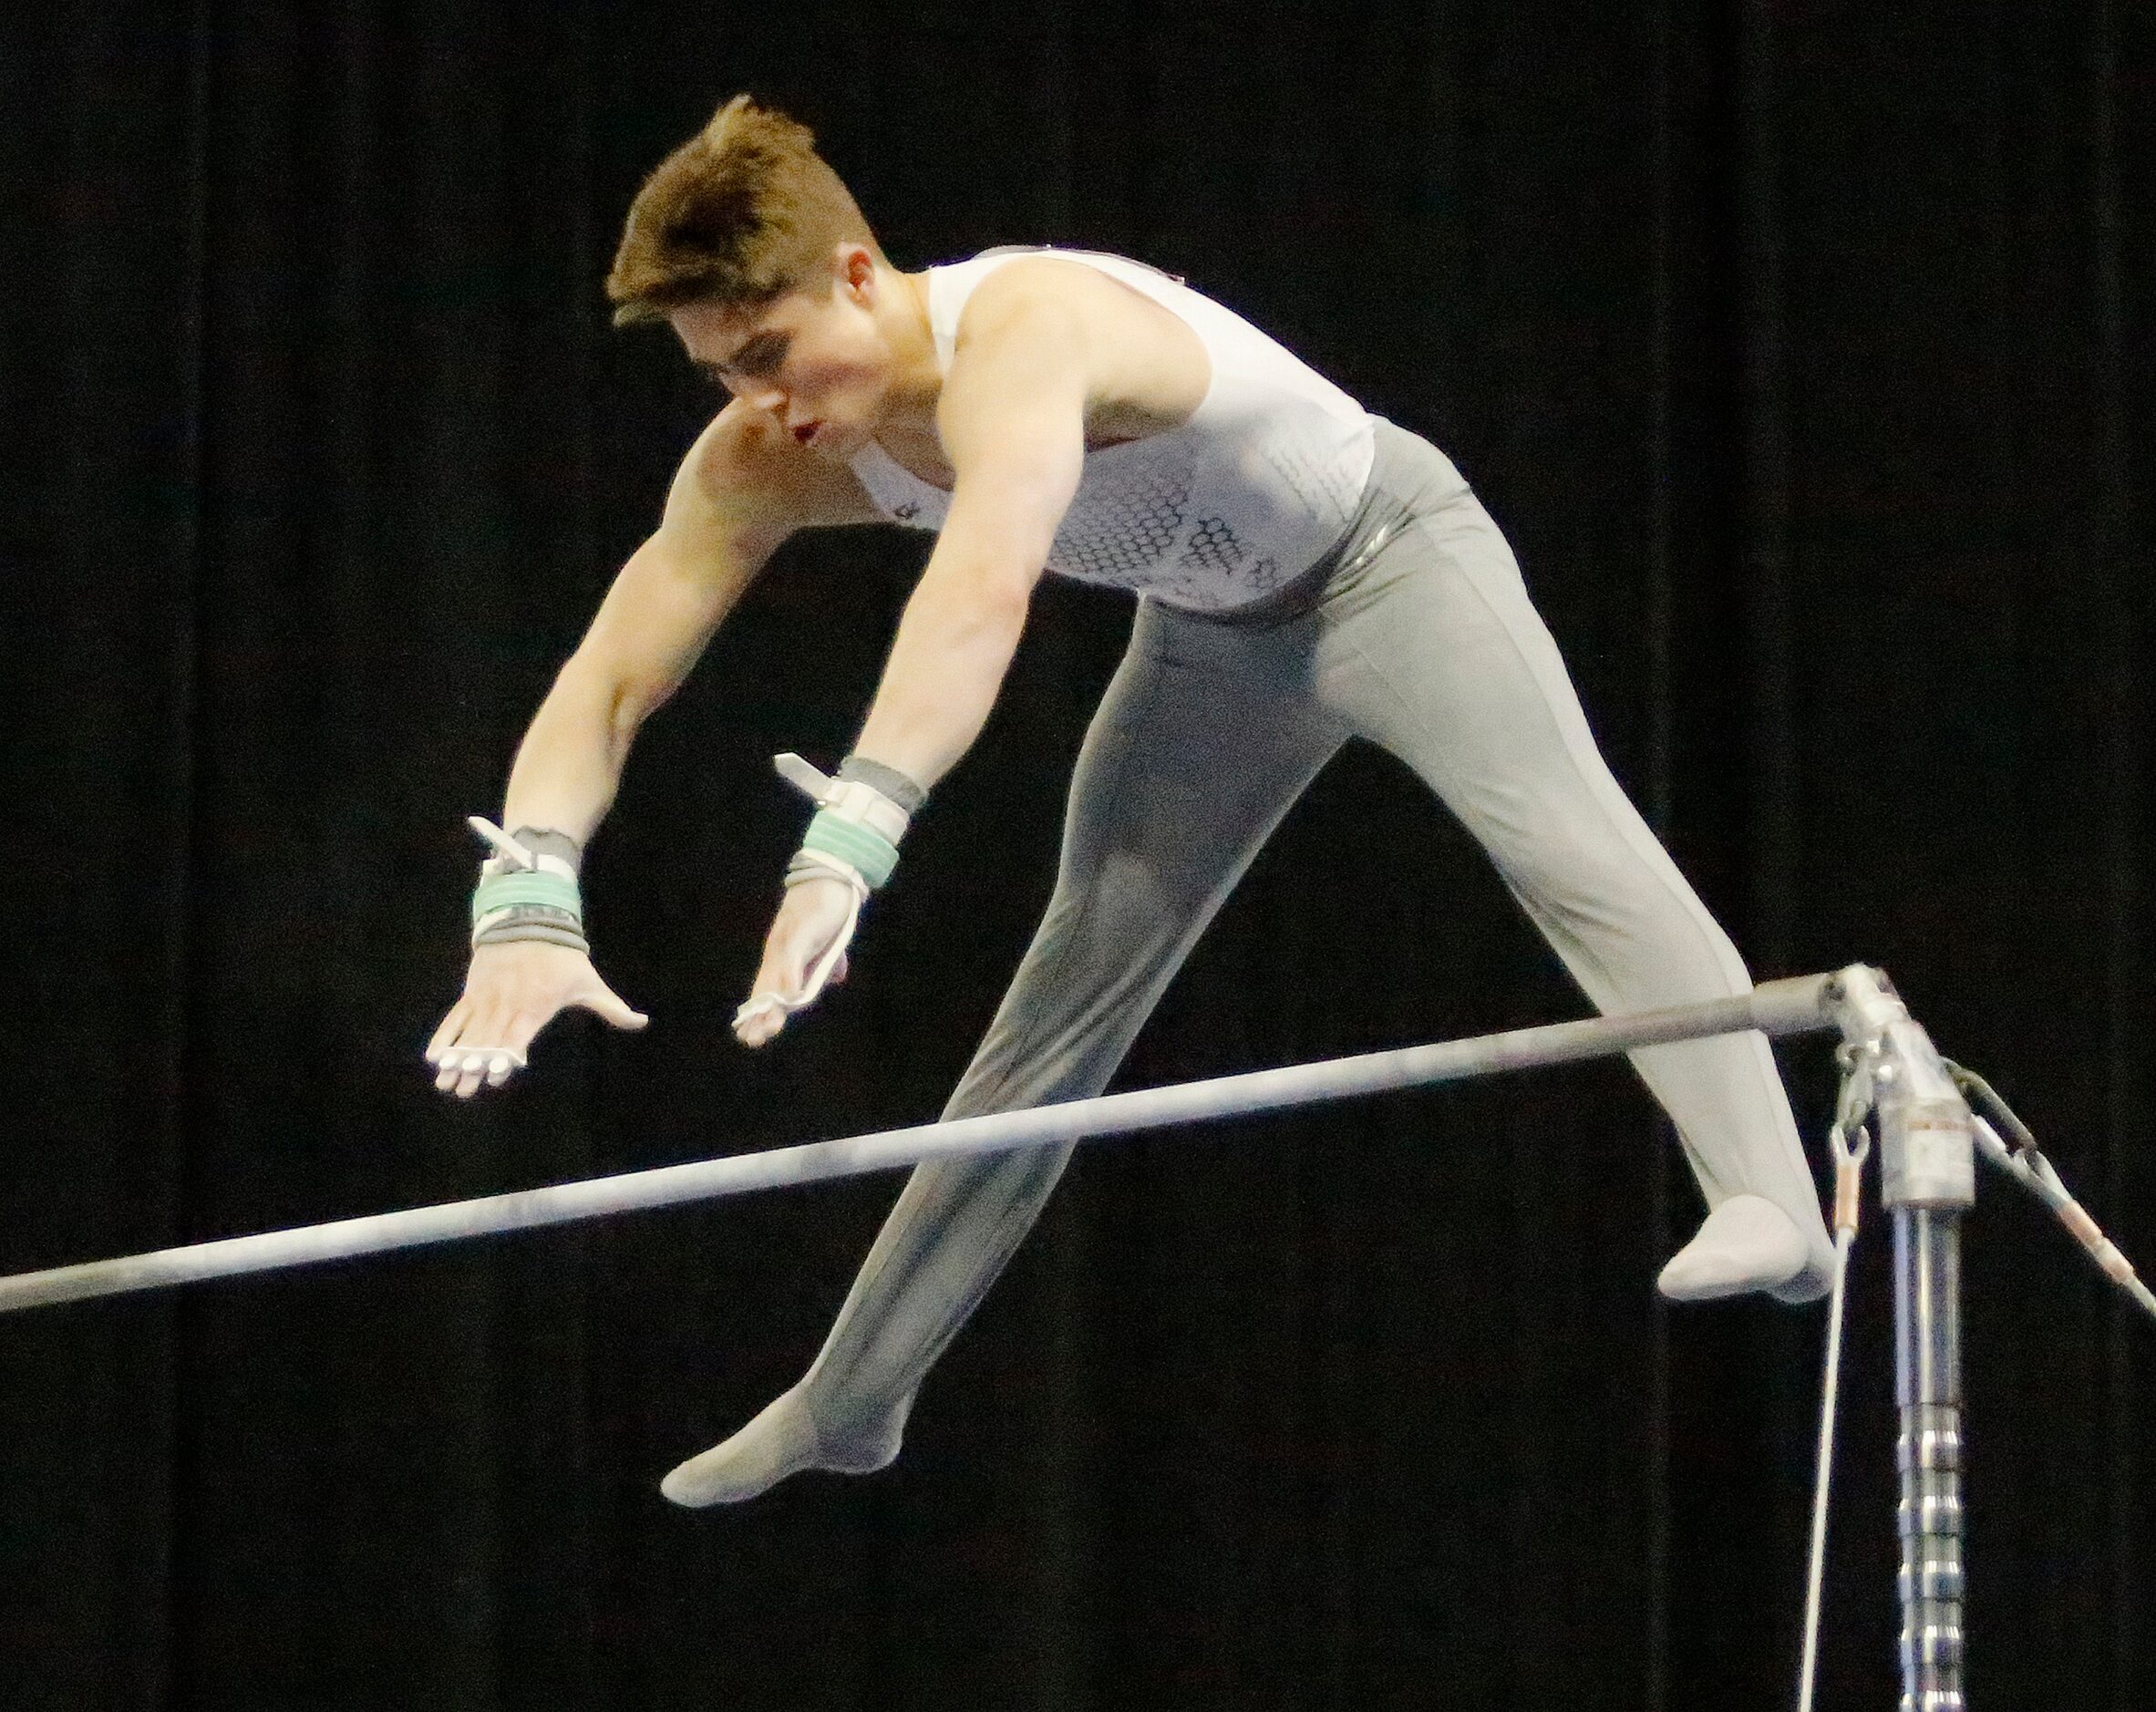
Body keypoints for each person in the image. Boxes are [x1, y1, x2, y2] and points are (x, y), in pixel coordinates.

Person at [424, 95, 1834, 1508]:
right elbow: (605, 679)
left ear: (858, 274)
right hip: (1207, 647)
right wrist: (529, 887)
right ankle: (850, 1398)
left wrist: (853, 832)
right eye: (720, 372)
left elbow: (982, 584)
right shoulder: (763, 460)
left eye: (769, 351)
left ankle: (1767, 1194)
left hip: (1389, 563)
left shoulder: (1027, 329)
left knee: (1568, 849)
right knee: (1060, 1006)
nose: (760, 401)